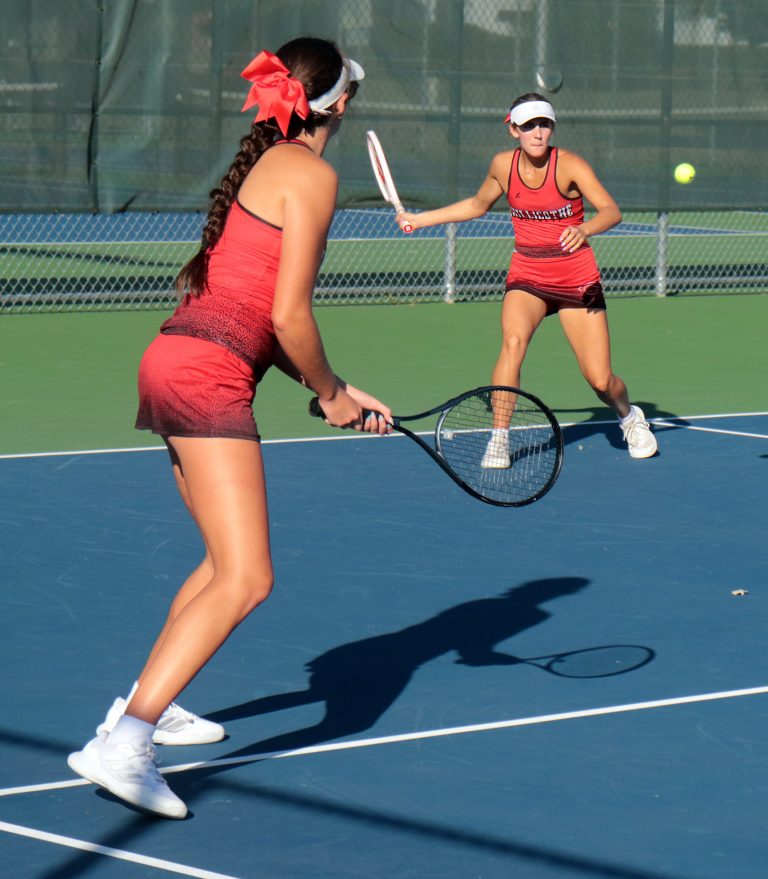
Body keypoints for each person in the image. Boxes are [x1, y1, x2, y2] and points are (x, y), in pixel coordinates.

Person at [67, 37, 392, 820]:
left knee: (220, 562)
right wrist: (329, 387)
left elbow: (256, 317)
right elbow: (288, 314)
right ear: (339, 105)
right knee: (249, 578)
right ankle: (127, 741)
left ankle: (139, 706)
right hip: (206, 373)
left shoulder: (261, 166)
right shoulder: (312, 175)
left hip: (173, 355)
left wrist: (335, 391)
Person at [398, 93, 657, 463]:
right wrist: (420, 219)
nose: (538, 132)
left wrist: (585, 229)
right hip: (528, 272)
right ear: (513, 129)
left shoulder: (570, 165)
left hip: (575, 279)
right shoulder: (503, 165)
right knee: (513, 343)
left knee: (600, 380)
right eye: (529, 125)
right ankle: (499, 437)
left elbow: (611, 211)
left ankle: (629, 416)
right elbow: (476, 204)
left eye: (545, 124)